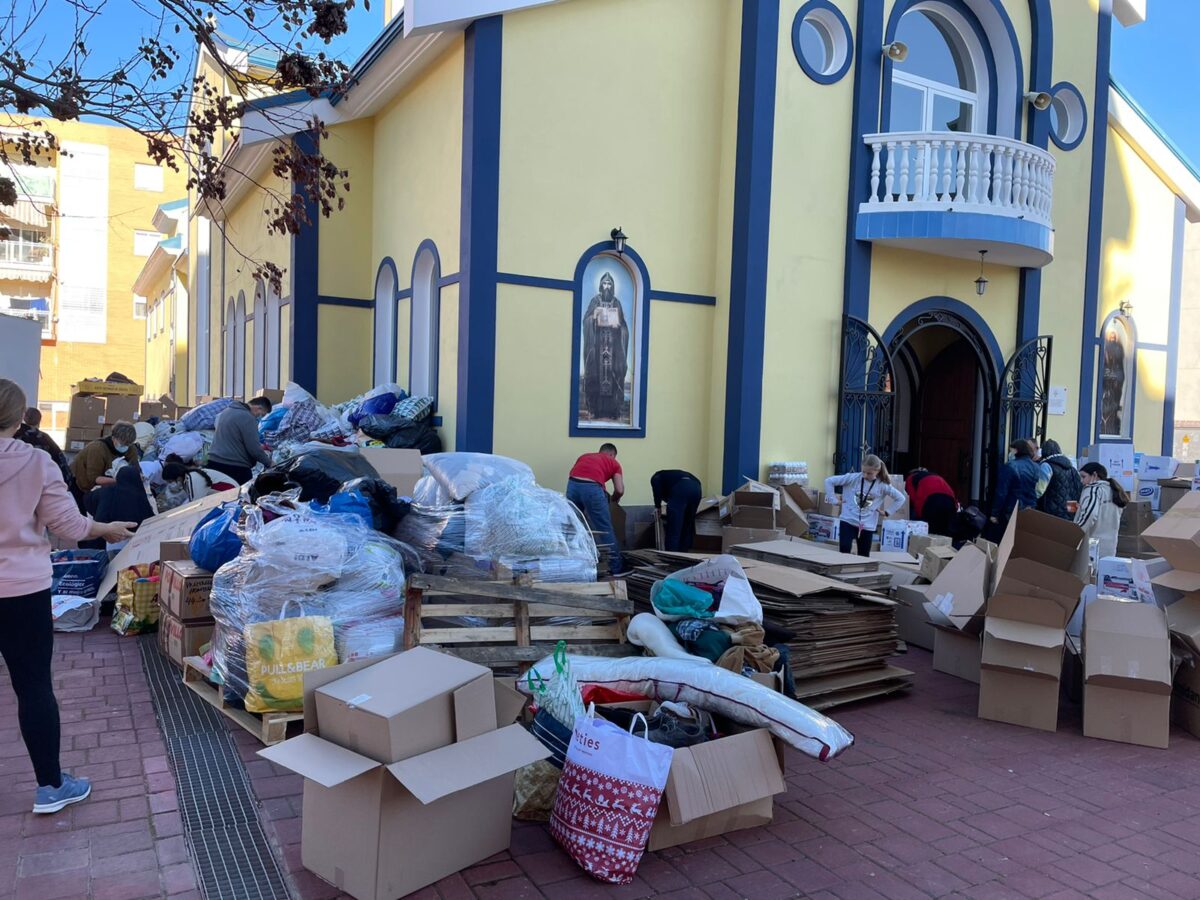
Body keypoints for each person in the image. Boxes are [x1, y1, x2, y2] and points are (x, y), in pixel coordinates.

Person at [0, 378, 135, 814]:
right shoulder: (36, 462)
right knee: (33, 687)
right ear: (21, 418)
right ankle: (51, 787)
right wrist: (107, 529)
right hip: (22, 592)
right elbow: (70, 527)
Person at [824, 454, 906, 557]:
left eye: (869, 473)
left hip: (867, 526)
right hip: (848, 521)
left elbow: (901, 498)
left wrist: (887, 512)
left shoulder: (883, 485)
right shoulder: (852, 478)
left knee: (864, 555)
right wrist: (834, 500)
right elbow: (829, 481)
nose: (865, 475)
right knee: (844, 552)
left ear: (878, 471)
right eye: (863, 472)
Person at [567, 443, 627, 575]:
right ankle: (617, 569)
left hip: (572, 484)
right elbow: (619, 489)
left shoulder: (584, 456)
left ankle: (571, 565)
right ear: (612, 455)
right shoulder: (614, 463)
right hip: (592, 488)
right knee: (604, 529)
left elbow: (579, 474)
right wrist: (614, 500)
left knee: (573, 527)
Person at [580, 273, 630, 423]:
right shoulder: (595, 301)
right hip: (597, 349)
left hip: (614, 350)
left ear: (612, 286)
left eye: (609, 284)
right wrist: (593, 318)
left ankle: (614, 411)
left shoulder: (616, 303)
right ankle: (594, 410)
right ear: (601, 285)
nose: (607, 287)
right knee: (595, 376)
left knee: (615, 376)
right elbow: (586, 321)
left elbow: (624, 328)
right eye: (605, 283)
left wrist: (619, 328)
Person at [207, 396, 272, 485]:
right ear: (258, 408)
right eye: (262, 414)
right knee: (241, 496)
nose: (259, 417)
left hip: (213, 463)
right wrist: (270, 463)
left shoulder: (227, 412)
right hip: (234, 468)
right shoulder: (248, 418)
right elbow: (254, 449)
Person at [987, 439, 1042, 541]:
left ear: (1016, 450)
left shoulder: (1010, 466)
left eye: (1011, 450)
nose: (1010, 453)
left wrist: (994, 513)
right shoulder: (1037, 467)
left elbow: (1001, 492)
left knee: (1005, 541)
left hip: (1011, 510)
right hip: (1030, 509)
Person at [1075, 462, 1128, 559]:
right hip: (1110, 546)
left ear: (1094, 475)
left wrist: (1074, 534)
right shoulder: (1114, 491)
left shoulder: (1092, 490)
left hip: (1091, 545)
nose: (1081, 481)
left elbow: (1089, 515)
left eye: (1083, 477)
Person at [70, 421, 139, 494]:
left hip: (111, 485)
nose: (125, 446)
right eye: (122, 444)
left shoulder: (131, 448)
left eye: (128, 444)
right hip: (81, 483)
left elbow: (136, 469)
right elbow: (94, 478)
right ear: (113, 438)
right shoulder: (98, 449)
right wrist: (120, 481)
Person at [651, 469, 702, 552]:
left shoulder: (656, 477)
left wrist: (657, 506)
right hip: (696, 488)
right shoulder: (671, 476)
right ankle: (684, 556)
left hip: (681, 488)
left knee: (674, 528)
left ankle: (671, 557)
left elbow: (656, 489)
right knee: (687, 526)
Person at [94, 465, 156, 530]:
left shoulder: (110, 494)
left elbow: (100, 519)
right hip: (142, 530)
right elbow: (149, 515)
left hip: (118, 532)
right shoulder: (139, 492)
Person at [15, 408, 69, 479]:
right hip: (39, 480)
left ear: (24, 418)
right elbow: (61, 463)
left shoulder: (13, 436)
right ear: (39, 420)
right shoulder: (45, 439)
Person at [1036, 439, 1082, 520]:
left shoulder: (1046, 466)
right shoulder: (1072, 468)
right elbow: (1078, 490)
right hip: (1071, 511)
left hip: (1052, 513)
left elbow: (1039, 491)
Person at [904, 468, 958, 537]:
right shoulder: (935, 476)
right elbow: (950, 492)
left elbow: (912, 498)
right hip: (949, 500)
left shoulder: (910, 478)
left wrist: (918, 518)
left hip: (931, 500)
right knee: (945, 532)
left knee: (931, 533)